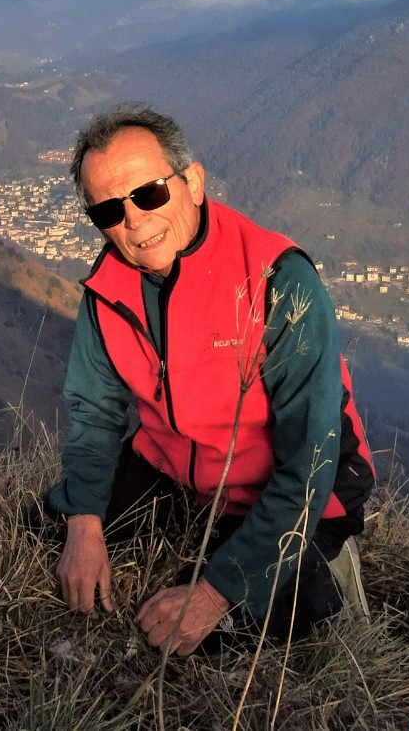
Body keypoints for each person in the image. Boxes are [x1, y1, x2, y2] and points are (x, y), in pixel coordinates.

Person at [46, 103, 375, 656]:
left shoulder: (278, 279)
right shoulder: (108, 290)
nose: (132, 220)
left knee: (249, 647)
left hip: (293, 490)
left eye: (149, 193)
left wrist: (216, 595)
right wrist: (83, 520)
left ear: (193, 182)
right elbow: (95, 413)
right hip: (176, 468)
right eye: (106, 208)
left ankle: (332, 573)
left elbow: (309, 461)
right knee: (53, 542)